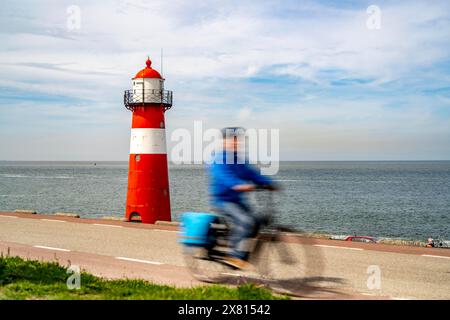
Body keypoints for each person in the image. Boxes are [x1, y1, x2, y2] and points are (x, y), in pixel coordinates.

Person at [208, 127, 277, 270]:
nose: (235, 142)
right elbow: (224, 176)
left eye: (236, 140)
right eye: (231, 140)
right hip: (223, 200)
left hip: (237, 200)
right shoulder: (218, 159)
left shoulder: (238, 160)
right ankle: (235, 256)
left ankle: (239, 246)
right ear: (224, 142)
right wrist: (237, 185)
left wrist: (267, 183)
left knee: (255, 222)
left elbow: (252, 174)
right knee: (246, 221)